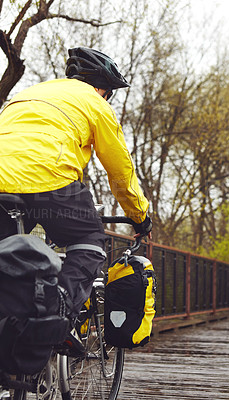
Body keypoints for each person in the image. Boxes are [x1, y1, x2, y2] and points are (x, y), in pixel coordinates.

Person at [0, 47, 152, 355]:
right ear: (100, 87)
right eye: (108, 92)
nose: (106, 97)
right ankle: (54, 316)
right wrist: (139, 215)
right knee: (88, 239)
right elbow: (120, 170)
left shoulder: (27, 95)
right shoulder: (95, 103)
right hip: (51, 178)